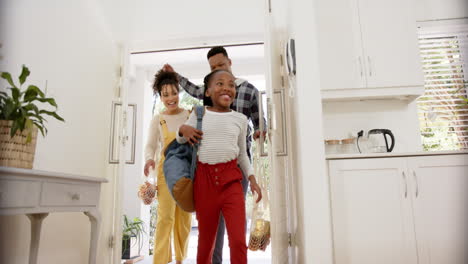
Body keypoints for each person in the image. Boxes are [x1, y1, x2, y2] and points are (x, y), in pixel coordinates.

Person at [164, 46, 266, 263]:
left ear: (230, 62)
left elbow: (254, 134)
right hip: (205, 179)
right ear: (208, 91)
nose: (225, 87)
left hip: (233, 174)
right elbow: (182, 133)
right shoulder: (201, 110)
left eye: (221, 66)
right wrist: (184, 129)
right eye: (215, 73)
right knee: (208, 239)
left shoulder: (247, 98)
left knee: (237, 237)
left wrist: (253, 176)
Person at [143, 69, 191, 264]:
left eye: (173, 93)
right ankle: (161, 260)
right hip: (165, 172)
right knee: (165, 217)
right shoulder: (158, 119)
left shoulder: (189, 115)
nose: (171, 98)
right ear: (160, 97)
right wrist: (149, 159)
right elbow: (151, 145)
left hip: (187, 171)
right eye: (165, 95)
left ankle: (181, 259)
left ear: (178, 93)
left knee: (184, 218)